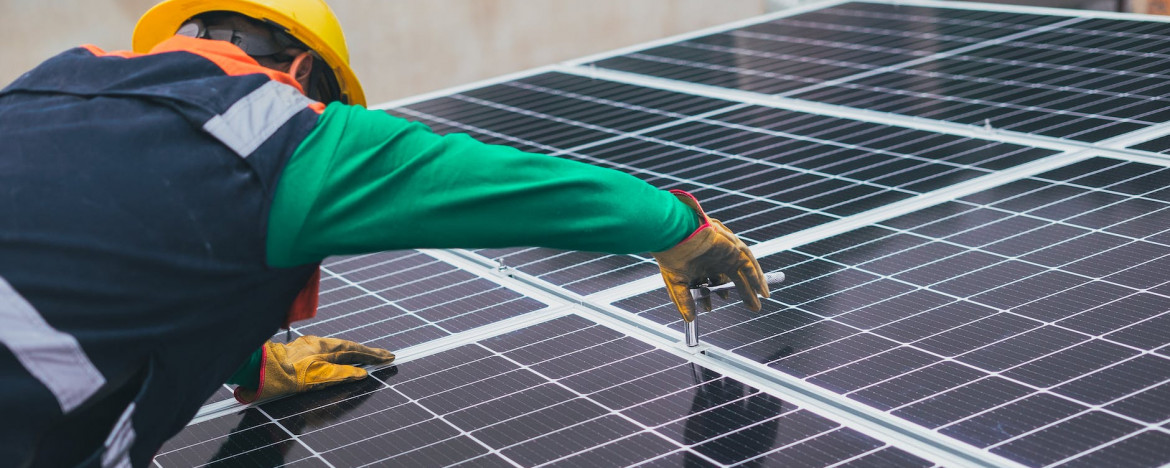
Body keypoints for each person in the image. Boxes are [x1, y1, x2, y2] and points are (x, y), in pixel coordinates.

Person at [0, 0, 769, 466]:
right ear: (306, 72)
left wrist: (250, 364)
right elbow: (508, 184)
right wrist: (679, 228)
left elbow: (120, 244)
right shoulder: (286, 134)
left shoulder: (51, 82)